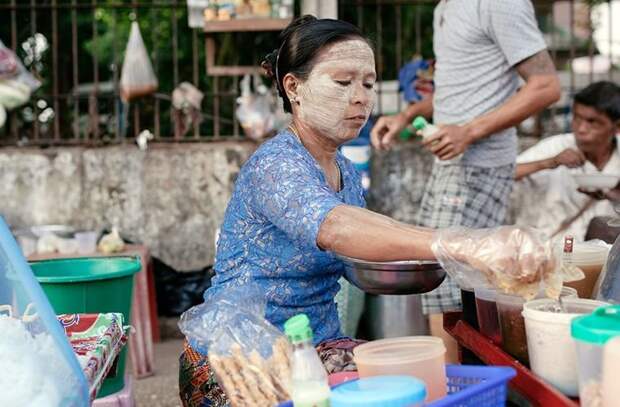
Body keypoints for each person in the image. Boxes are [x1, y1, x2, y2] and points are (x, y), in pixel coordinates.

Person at [179, 16, 554, 407]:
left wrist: (462, 261)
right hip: (239, 357)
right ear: (294, 88)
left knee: (414, 381)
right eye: (343, 82)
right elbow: (336, 227)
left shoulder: (345, 171)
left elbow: (364, 243)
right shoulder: (275, 164)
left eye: (369, 83)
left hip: (315, 347)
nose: (360, 97)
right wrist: (458, 242)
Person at [370, 0, 561, 350]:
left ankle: (458, 391)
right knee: (446, 279)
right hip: (452, 166)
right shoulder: (447, 7)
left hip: (478, 166)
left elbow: (546, 86)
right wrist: (407, 115)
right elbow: (460, 88)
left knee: (447, 284)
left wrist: (469, 132)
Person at [514, 81, 620, 239]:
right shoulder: (554, 147)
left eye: (593, 122)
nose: (581, 129)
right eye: (577, 118)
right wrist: (549, 163)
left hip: (604, 257)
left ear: (617, 127)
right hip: (549, 252)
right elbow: (503, 175)